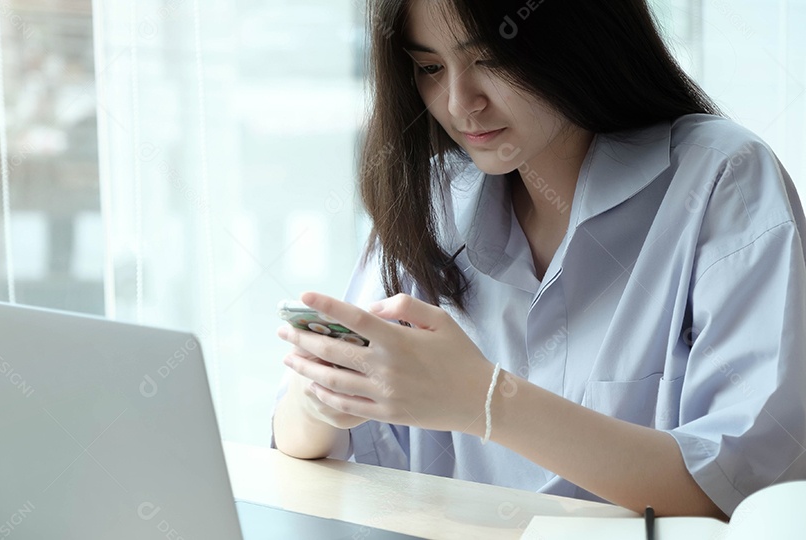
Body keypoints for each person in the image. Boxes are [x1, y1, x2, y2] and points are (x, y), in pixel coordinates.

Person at [272, 0, 806, 520]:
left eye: (490, 60)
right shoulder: (437, 198)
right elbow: (302, 442)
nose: (460, 102)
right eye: (430, 67)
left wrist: (483, 399)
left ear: (577, 35)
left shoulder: (721, 179)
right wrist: (320, 397)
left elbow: (745, 484)